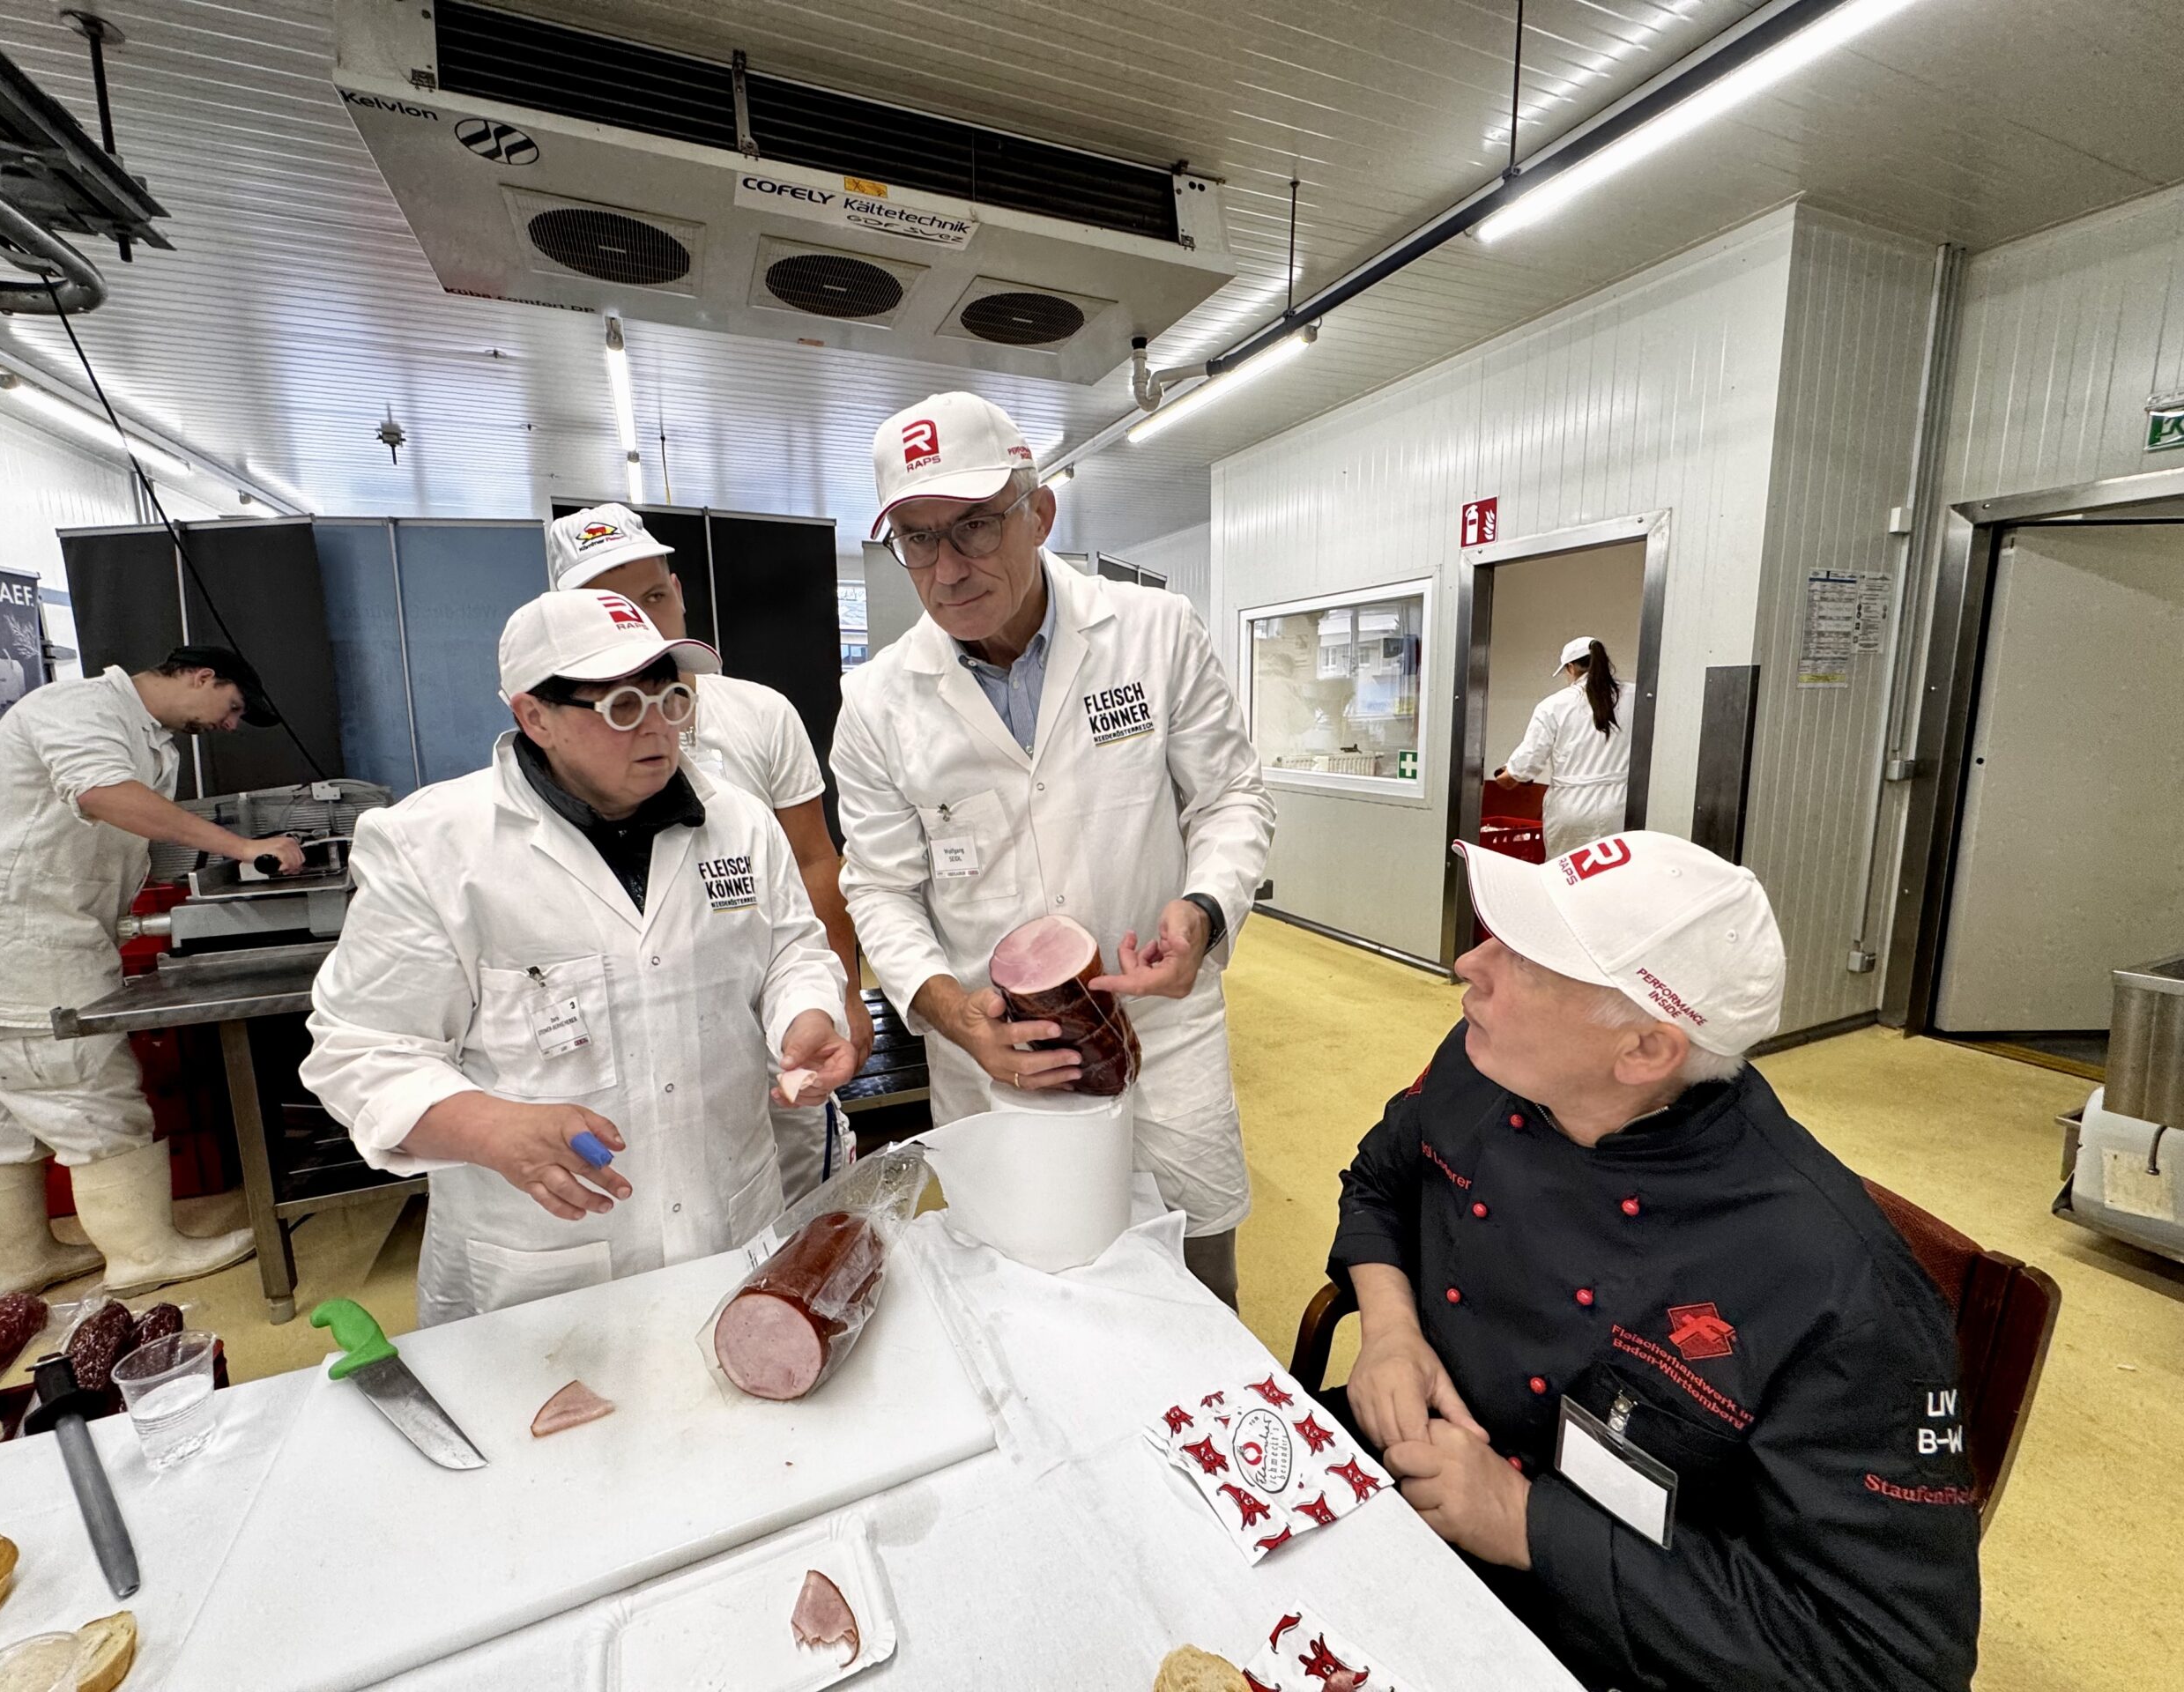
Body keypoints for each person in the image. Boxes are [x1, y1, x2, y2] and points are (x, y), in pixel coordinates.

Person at [1329, 831, 1979, 1692]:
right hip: (1408, 1484)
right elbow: (1379, 1183)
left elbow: (1887, 1663)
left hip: (1605, 1629)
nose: (1468, 965)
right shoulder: (1484, 1061)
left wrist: (1526, 1523)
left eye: (1524, 960)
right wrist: (1389, 1329)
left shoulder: (1837, 1289)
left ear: (1643, 1050)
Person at [300, 589, 855, 1325]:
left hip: (731, 1221)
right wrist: (490, 1128)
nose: (658, 729)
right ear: (535, 717)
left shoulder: (738, 822)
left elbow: (790, 949)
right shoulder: (432, 849)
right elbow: (361, 1051)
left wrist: (803, 1015)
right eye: (623, 707)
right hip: (546, 1267)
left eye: (671, 699)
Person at [831, 392, 1274, 1308]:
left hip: (1159, 1031)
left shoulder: (1154, 633)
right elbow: (877, 887)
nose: (947, 568)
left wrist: (1203, 911)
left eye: (974, 525)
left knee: (1196, 1283)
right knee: (1023, 1287)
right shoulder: (876, 702)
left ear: (1039, 512)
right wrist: (952, 1015)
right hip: (998, 1051)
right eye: (916, 538)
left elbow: (1231, 795)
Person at [0, 647, 298, 1299]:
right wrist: (244, 848)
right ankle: (143, 1253)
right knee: (86, 1092)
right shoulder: (79, 706)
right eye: (233, 706)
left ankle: (13, 1264)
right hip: (17, 946)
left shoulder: (150, 741)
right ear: (201, 676)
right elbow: (102, 795)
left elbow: (125, 832)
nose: (230, 724)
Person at [545, 503, 873, 1201]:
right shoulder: (571, 745)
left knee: (801, 1201)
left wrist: (843, 991)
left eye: (653, 597)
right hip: (643, 1040)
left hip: (780, 1013)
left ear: (679, 593)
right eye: (607, 607)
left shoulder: (759, 715)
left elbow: (815, 861)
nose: (640, 624)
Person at [1493, 634, 1634, 859]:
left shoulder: (1553, 705)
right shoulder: (1635, 696)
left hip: (1571, 808)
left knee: (1566, 871)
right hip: (1621, 807)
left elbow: (1530, 758)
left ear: (1570, 668)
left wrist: (1510, 775)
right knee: (1619, 871)